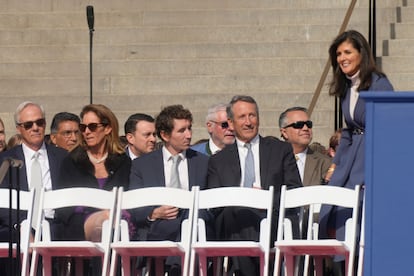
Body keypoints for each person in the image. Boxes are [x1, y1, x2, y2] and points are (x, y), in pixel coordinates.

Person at [318, 30, 394, 276]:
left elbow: (386, 127)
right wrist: (335, 163)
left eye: (347, 52)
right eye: (339, 54)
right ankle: (342, 267)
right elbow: (349, 132)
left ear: (362, 53)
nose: (342, 58)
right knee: (337, 208)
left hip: (371, 157)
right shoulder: (346, 87)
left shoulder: (379, 84)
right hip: (351, 156)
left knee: (360, 215)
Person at [207, 95, 302, 276]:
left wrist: (265, 200)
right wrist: (243, 201)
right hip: (234, 222)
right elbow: (214, 201)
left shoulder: (279, 150)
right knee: (236, 215)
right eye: (242, 117)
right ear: (231, 123)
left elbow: (294, 189)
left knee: (249, 219)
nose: (248, 122)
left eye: (252, 116)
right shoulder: (218, 160)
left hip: (272, 216)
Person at [129, 104, 211, 276]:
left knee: (190, 220)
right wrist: (154, 213)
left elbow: (211, 204)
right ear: (165, 135)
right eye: (182, 130)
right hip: (159, 226)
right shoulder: (142, 165)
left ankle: (174, 271)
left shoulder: (203, 163)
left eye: (189, 129)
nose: (189, 135)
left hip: (195, 225)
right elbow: (135, 209)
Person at [55, 104, 131, 275]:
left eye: (92, 126)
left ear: (108, 128)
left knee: (110, 223)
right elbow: (63, 205)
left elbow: (127, 195)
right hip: (77, 222)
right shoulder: (72, 161)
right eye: (83, 127)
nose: (86, 132)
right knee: (106, 220)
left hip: (116, 223)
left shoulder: (122, 162)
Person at [0, 101, 67, 275]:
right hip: (17, 227)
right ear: (18, 128)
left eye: (40, 122)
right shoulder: (5, 161)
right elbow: (3, 204)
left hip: (56, 226)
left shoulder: (63, 158)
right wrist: (22, 225)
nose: (35, 128)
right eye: (28, 124)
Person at [279, 106, 331, 185]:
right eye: (298, 125)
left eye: (308, 124)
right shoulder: (272, 161)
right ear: (284, 132)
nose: (306, 128)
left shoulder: (324, 163)